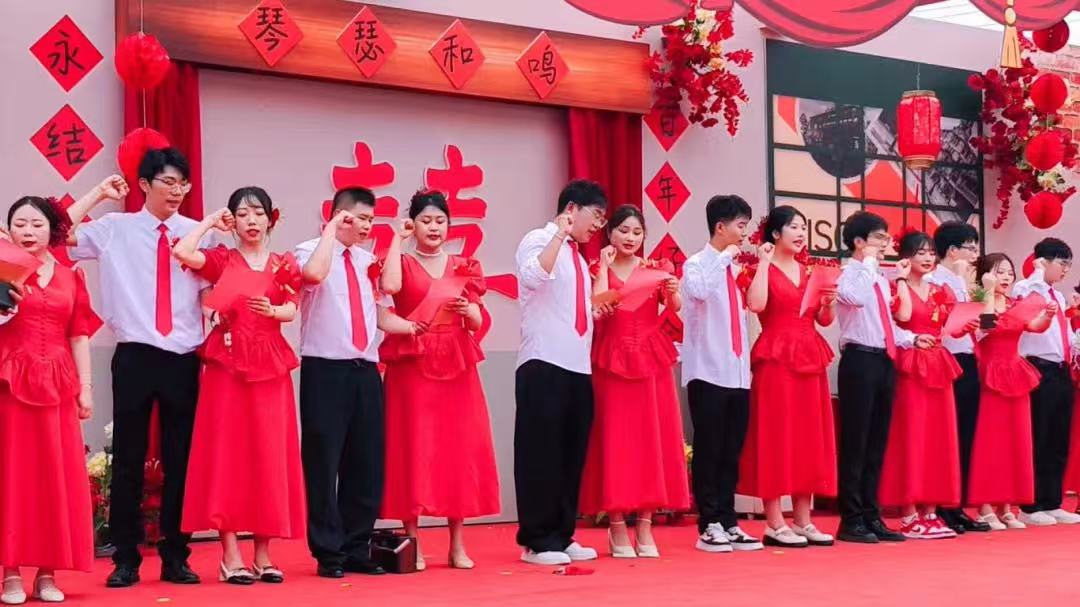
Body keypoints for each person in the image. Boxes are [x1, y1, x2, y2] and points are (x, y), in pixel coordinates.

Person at [67, 150, 210, 587]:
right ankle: (125, 557)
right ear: (144, 185)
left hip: (183, 357)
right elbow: (59, 233)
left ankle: (176, 555)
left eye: (183, 184)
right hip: (135, 354)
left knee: (181, 458)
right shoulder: (116, 228)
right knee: (127, 457)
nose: (177, 191)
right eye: (168, 182)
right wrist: (97, 194)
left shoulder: (198, 234)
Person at [173, 187, 307, 584]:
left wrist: (275, 311)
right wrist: (209, 223)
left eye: (258, 213)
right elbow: (183, 252)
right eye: (243, 214)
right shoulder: (222, 259)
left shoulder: (284, 264)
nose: (251, 221)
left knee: (269, 454)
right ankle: (230, 554)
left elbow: (292, 307)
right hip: (227, 366)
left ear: (270, 218)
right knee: (227, 454)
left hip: (270, 364)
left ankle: (263, 554)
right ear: (233, 221)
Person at [294, 187, 422, 579]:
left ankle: (356, 546)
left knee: (365, 462)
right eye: (360, 218)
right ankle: (328, 552)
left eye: (371, 219)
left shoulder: (368, 262)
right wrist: (331, 230)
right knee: (324, 461)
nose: (367, 226)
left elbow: (385, 305)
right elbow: (313, 275)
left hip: (365, 370)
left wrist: (413, 328)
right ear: (339, 215)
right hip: (325, 369)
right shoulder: (310, 251)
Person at [378, 191, 500, 570]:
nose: (434, 228)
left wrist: (468, 310)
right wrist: (397, 239)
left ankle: (457, 544)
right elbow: (390, 288)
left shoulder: (464, 266)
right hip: (412, 359)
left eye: (440, 221)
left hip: (456, 361)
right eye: (426, 221)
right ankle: (412, 542)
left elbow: (476, 321)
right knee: (412, 445)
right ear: (413, 224)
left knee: (457, 447)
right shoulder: (402, 261)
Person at [0, 195, 100, 604]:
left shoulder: (71, 276)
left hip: (58, 385)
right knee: (13, 476)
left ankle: (47, 572)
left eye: (37, 224)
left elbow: (79, 335)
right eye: (20, 224)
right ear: (9, 231)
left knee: (54, 477)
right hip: (11, 384)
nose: (28, 232)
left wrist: (86, 388)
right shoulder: (3, 271)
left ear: (51, 231)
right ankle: (9, 572)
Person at [578, 205, 689, 558]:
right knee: (616, 439)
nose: (630, 238)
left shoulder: (655, 269)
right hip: (611, 358)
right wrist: (604, 267)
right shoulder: (597, 268)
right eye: (623, 230)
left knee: (651, 439)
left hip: (650, 359)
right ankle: (616, 526)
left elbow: (674, 305)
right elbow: (596, 308)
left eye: (637, 232)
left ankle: (644, 524)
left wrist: (673, 289)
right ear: (609, 233)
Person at [513, 180, 609, 566]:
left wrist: (594, 310)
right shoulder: (538, 239)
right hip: (543, 363)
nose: (598, 225)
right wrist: (558, 233)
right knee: (541, 455)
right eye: (596, 216)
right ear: (572, 209)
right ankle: (537, 540)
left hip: (577, 366)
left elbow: (569, 308)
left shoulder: (580, 260)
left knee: (571, 455)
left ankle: (562, 534)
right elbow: (533, 277)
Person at [834, 211, 933, 544]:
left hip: (883, 359)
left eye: (885, 237)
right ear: (859, 241)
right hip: (859, 360)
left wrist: (911, 338)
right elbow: (855, 299)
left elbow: (884, 325)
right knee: (856, 442)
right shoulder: (847, 274)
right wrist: (868, 261)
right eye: (879, 237)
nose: (885, 243)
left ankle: (871, 515)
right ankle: (851, 519)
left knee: (877, 443)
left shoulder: (877, 278)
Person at [740, 205, 836, 548]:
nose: (800, 234)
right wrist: (764, 262)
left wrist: (828, 303)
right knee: (775, 435)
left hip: (810, 355)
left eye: (803, 228)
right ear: (775, 233)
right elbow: (756, 304)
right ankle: (774, 522)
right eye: (794, 227)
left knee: (809, 436)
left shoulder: (811, 271)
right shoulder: (759, 268)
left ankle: (803, 520)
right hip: (776, 356)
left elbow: (824, 320)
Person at [681, 195, 763, 554]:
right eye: (740, 226)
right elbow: (699, 292)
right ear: (720, 227)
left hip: (737, 373)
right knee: (710, 450)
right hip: (708, 371)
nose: (744, 233)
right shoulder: (697, 264)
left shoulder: (733, 270)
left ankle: (729, 521)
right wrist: (724, 257)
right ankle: (709, 524)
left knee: (731, 451)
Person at [878, 231, 962, 540]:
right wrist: (901, 279)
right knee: (911, 435)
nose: (927, 258)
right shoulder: (892, 286)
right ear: (906, 256)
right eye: (920, 253)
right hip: (910, 363)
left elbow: (956, 324)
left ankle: (930, 510)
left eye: (931, 253)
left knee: (938, 436)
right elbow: (902, 316)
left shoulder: (941, 290)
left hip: (938, 363)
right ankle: (909, 512)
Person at [968, 253, 1054, 530]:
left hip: (1015, 373)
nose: (1006, 277)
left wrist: (1047, 315)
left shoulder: (1016, 304)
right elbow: (985, 328)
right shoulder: (977, 300)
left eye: (1009, 272)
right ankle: (984, 506)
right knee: (990, 440)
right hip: (990, 373)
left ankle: (1006, 505)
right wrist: (988, 291)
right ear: (985, 274)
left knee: (1015, 440)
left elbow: (1034, 327)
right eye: (999, 272)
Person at [927, 221, 991, 534]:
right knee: (946, 435)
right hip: (944, 360)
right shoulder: (933, 281)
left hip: (968, 358)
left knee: (966, 434)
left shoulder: (964, 283)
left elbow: (984, 328)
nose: (975, 254)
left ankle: (958, 503)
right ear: (952, 250)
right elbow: (933, 324)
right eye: (970, 247)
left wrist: (985, 298)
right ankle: (940, 504)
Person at [1013, 238, 1080, 526]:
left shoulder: (1059, 297)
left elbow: (1064, 336)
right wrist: (1037, 272)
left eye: (1069, 265)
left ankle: (1052, 501)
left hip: (1061, 370)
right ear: (1042, 262)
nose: (1065, 270)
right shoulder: (1025, 288)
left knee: (1057, 439)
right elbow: (1026, 302)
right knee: (1039, 438)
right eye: (1061, 263)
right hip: (1037, 368)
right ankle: (1030, 506)